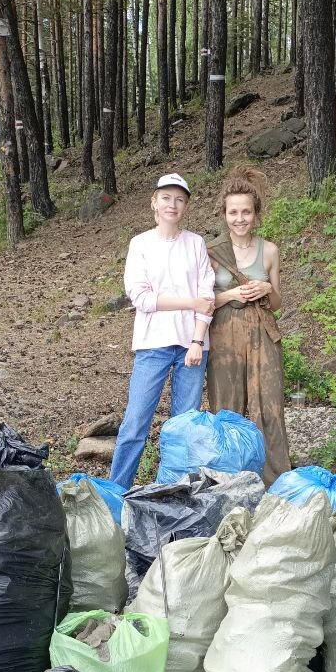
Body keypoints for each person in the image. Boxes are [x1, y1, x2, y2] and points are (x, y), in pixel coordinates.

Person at [108, 173, 215, 490]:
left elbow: (206, 298)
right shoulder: (140, 244)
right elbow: (141, 298)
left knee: (185, 427)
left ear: (186, 206)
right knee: (135, 423)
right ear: (154, 202)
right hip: (152, 345)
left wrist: (197, 340)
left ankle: (178, 492)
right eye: (166, 197)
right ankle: (117, 490)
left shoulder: (195, 243)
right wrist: (189, 301)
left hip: (192, 347)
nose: (173, 204)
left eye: (180, 199)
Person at [206, 167, 291, 486]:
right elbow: (203, 302)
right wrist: (231, 293)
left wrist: (267, 289)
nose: (239, 218)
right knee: (227, 404)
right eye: (233, 212)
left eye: (246, 212)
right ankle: (229, 479)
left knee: (267, 404)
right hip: (224, 336)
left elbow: (279, 303)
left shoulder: (269, 250)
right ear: (224, 215)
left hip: (261, 335)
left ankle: (273, 480)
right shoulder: (212, 252)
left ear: (256, 215)